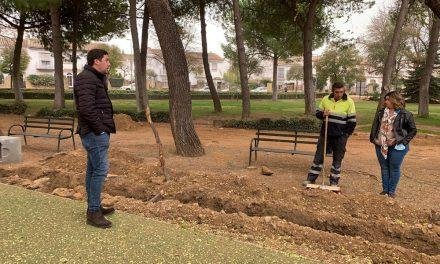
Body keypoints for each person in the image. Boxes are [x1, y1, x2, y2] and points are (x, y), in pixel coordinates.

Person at [74, 49, 116, 228]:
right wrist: (100, 130)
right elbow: (86, 108)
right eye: (106, 60)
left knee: (93, 170)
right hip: (94, 133)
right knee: (100, 170)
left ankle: (94, 206)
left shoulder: (95, 78)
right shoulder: (86, 78)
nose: (108, 64)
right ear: (96, 61)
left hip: (95, 132)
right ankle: (93, 212)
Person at [303, 82, 357, 187]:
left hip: (340, 136)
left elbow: (352, 121)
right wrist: (323, 114)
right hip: (325, 134)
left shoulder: (349, 102)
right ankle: (311, 179)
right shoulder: (325, 99)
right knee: (319, 157)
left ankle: (334, 182)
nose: (339, 94)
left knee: (337, 159)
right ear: (333, 91)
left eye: (341, 92)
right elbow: (317, 113)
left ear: (344, 91)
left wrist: (345, 134)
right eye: (337, 92)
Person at [370, 91, 416, 198]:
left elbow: (413, 131)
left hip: (398, 146)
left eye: (388, 99)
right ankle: (385, 190)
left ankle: (391, 191)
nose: (385, 101)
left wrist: (398, 141)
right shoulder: (381, 112)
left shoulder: (406, 114)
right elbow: (375, 126)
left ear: (394, 100)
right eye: (385, 99)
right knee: (384, 167)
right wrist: (373, 139)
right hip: (380, 144)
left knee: (394, 167)